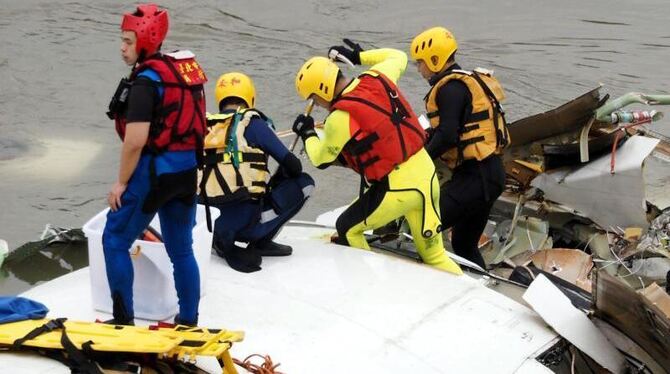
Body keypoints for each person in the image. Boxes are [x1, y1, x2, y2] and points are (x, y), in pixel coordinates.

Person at [291, 40, 462, 275]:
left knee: (347, 228)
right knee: (434, 255)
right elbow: (397, 56)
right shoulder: (376, 77)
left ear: (321, 90)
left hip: (400, 190)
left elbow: (320, 158)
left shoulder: (340, 118)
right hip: (427, 176)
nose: (317, 105)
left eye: (314, 99)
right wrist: (358, 56)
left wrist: (308, 133)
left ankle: (368, 286)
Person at [104, 3, 207, 325]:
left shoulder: (146, 82)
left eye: (128, 41)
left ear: (146, 40)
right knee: (181, 251)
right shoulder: (182, 71)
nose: (122, 48)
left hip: (154, 175)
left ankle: (123, 322)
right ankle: (188, 320)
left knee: (114, 241)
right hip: (186, 173)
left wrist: (120, 183)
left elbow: (135, 141)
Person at [410, 27, 509, 269]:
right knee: (464, 245)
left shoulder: (449, 89)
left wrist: (418, 160)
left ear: (435, 60)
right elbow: (450, 128)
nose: (419, 69)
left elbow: (447, 135)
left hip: (476, 178)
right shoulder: (463, 82)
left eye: (420, 63)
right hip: (490, 175)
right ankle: (482, 283)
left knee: (426, 225)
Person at [199, 72, 314, 273]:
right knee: (305, 183)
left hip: (206, 225)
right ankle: (261, 241)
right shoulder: (253, 123)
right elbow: (294, 167)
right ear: (250, 97)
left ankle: (220, 238)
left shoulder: (204, 127)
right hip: (246, 226)